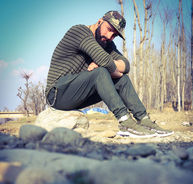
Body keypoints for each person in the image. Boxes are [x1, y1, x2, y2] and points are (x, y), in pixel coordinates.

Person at [45, 11, 173, 138]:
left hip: (76, 95)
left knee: (122, 79)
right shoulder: (79, 31)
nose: (110, 36)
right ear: (100, 21)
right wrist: (107, 66)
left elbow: (126, 65)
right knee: (101, 72)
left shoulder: (106, 43)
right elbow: (105, 61)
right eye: (109, 29)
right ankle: (125, 121)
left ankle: (144, 120)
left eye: (115, 35)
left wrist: (109, 67)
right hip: (56, 94)